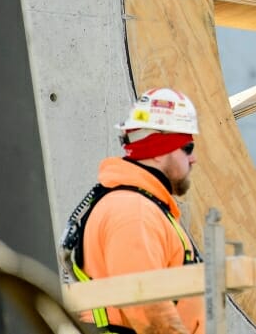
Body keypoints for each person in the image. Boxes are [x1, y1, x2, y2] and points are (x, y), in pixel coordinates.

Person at [60, 87, 204, 334]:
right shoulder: (134, 212)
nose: (193, 159)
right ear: (159, 151)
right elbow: (149, 310)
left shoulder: (139, 206)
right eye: (187, 147)